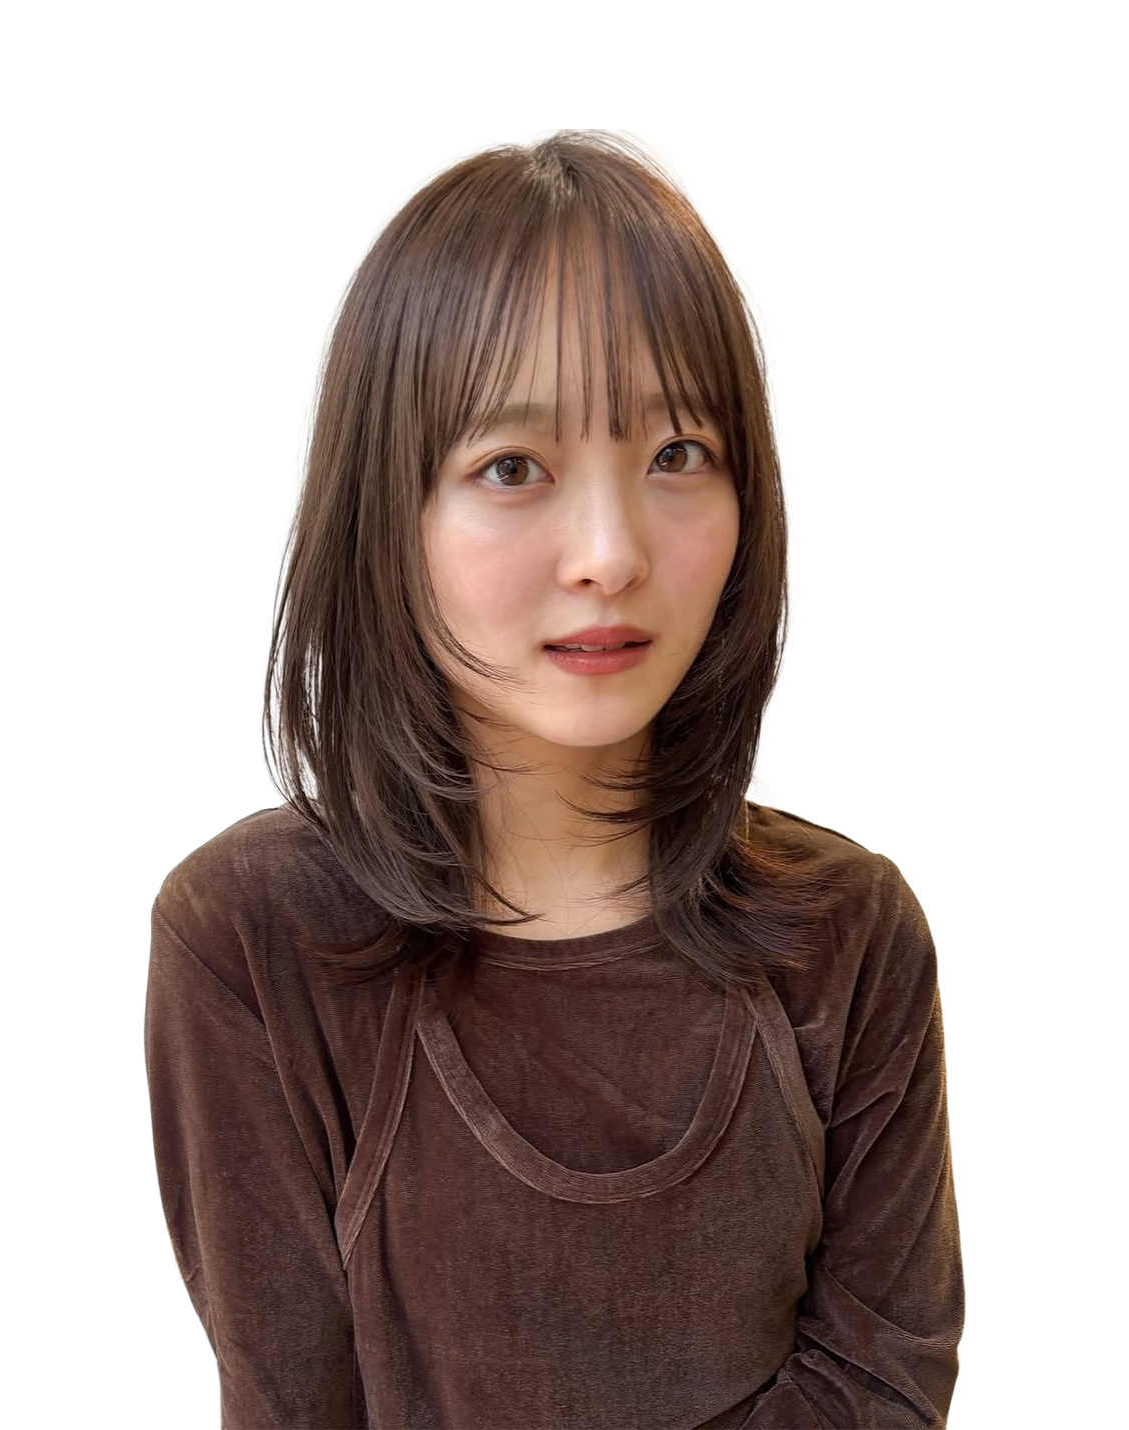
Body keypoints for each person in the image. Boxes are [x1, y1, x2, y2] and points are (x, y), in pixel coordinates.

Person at [145, 129, 965, 1428]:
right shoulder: (249, 935)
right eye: (512, 467)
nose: (609, 552)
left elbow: (881, 1385)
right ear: (387, 517)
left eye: (678, 453)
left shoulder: (849, 931)